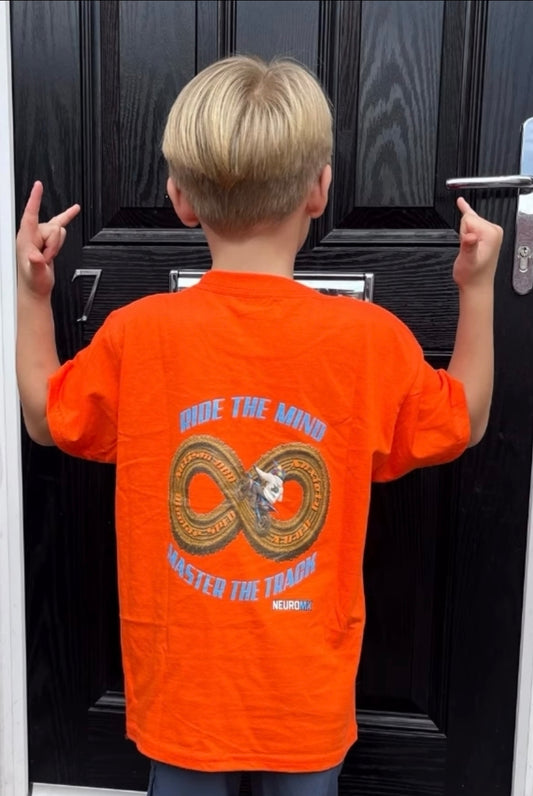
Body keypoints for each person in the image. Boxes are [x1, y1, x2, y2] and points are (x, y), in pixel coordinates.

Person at [15, 55, 503, 796]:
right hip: (303, 695)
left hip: (182, 692)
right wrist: (475, 288)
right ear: (320, 190)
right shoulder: (366, 340)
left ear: (179, 198)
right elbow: (462, 418)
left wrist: (30, 294)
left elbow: (45, 416)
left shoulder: (134, 336)